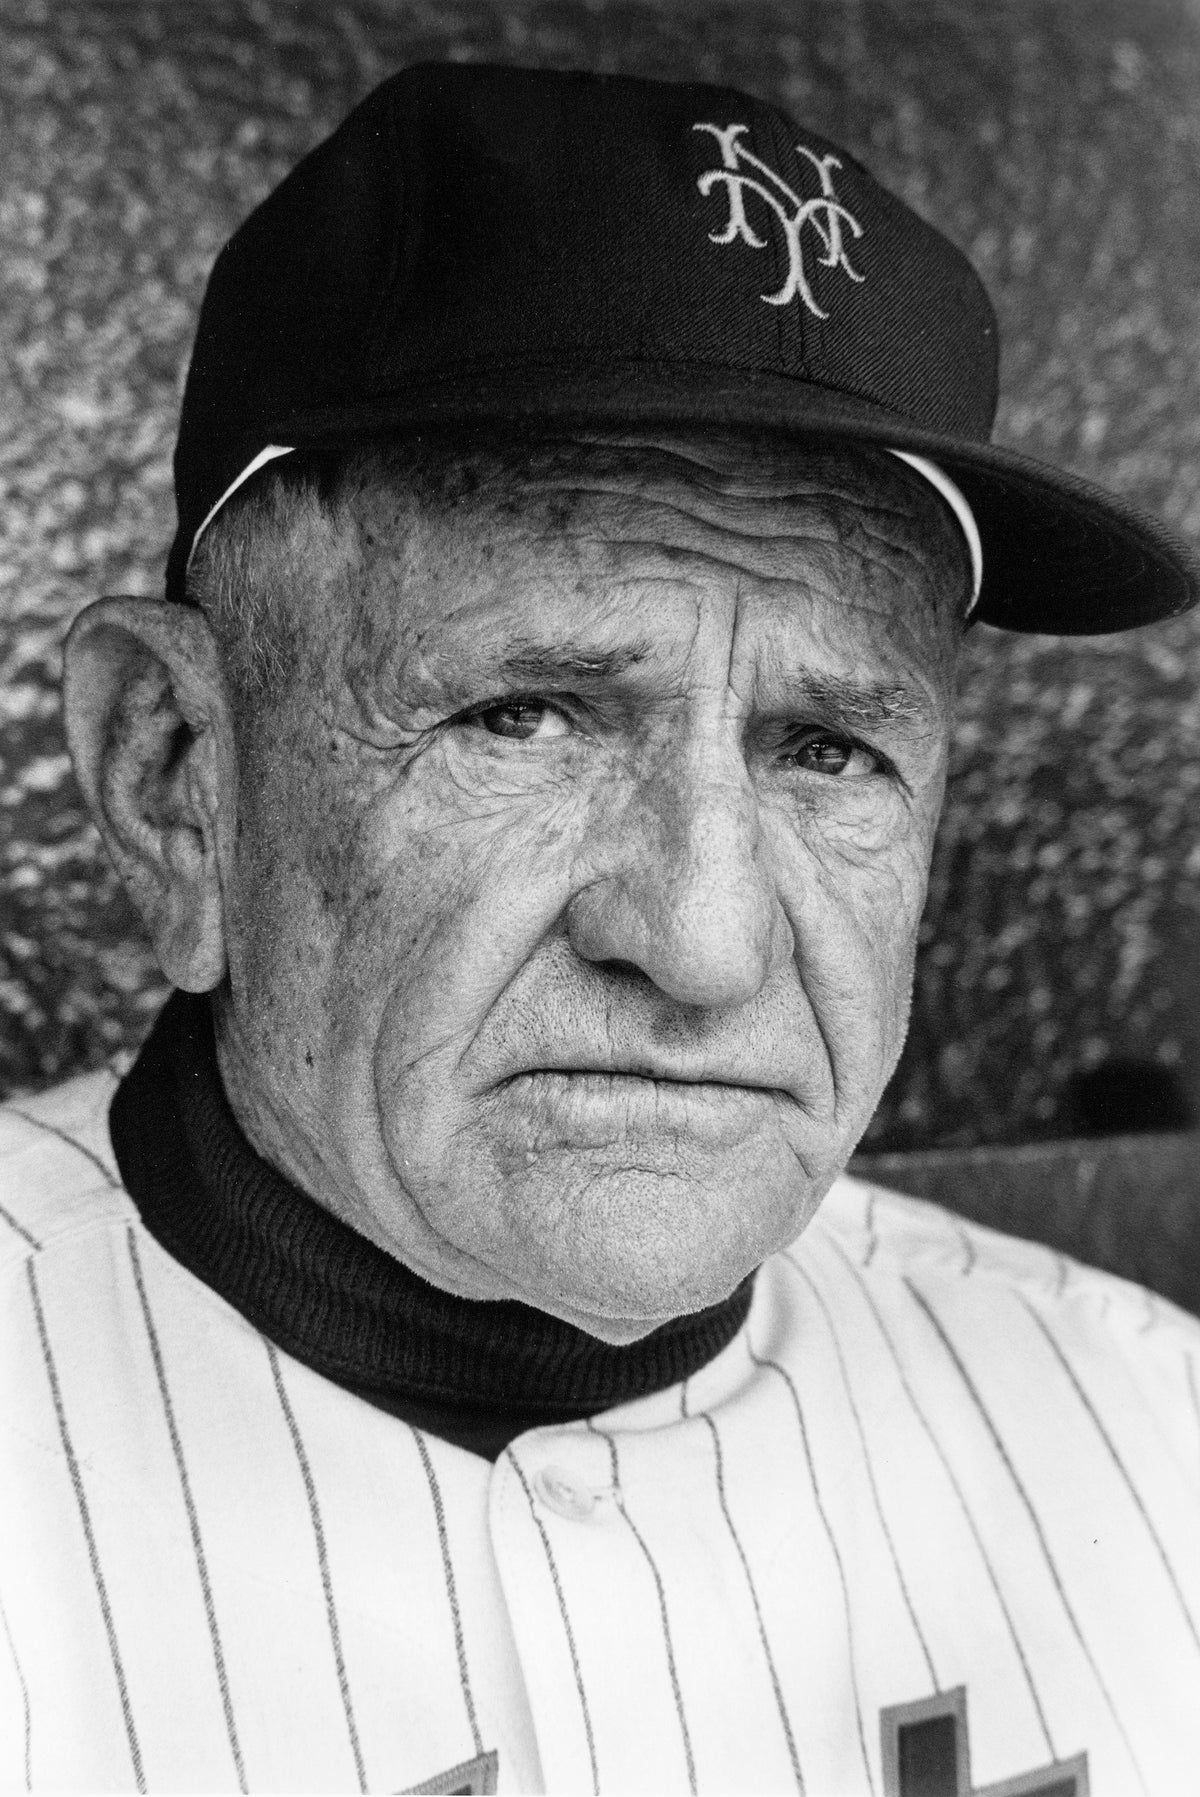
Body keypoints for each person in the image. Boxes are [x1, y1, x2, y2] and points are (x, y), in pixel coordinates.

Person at [1, 61, 1197, 1797]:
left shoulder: (1151, 1442)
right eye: (528, 714)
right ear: (177, 774)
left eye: (828, 748)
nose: (706, 941)